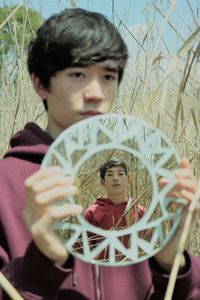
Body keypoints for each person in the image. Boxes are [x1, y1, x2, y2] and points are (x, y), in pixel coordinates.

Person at [0, 7, 199, 300]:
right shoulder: (6, 184)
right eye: (78, 74)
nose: (96, 92)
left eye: (108, 77)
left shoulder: (154, 176)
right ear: (40, 83)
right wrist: (41, 264)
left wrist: (174, 265)